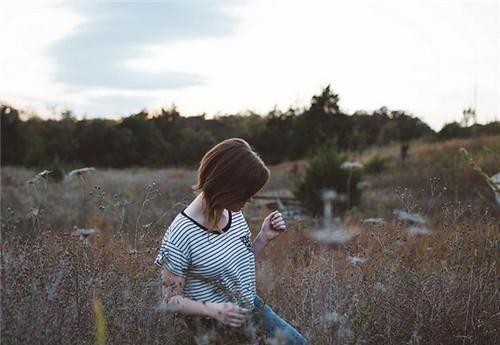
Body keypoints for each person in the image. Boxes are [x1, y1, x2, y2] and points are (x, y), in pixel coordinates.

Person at [154, 138, 309, 344]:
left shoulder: (232, 213)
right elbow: (171, 300)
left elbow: (237, 266)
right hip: (213, 326)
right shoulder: (181, 234)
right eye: (246, 194)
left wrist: (263, 238)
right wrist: (215, 310)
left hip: (250, 307)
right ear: (225, 186)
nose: (250, 199)